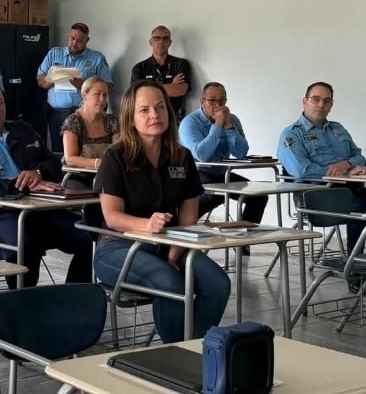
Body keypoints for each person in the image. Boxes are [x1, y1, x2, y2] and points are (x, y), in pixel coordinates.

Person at [93, 80, 230, 342]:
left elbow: (189, 214)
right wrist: (147, 225)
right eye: (144, 110)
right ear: (131, 118)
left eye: (160, 108)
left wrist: (176, 251)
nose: (154, 115)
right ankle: (174, 354)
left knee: (217, 284)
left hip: (170, 243)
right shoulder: (115, 156)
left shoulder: (181, 156)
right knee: (171, 283)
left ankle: (192, 347)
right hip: (119, 247)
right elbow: (112, 217)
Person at [276, 81, 366, 288]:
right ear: (305, 101)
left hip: (352, 190)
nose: (321, 105)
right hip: (318, 197)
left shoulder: (337, 129)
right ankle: (354, 272)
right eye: (316, 99)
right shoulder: (292, 134)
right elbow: (301, 170)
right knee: (358, 208)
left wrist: (346, 164)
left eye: (326, 101)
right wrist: (342, 171)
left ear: (331, 105)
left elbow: (359, 157)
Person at [0, 80, 92, 287]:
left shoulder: (23, 130)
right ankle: (23, 307)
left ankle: (72, 300)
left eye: (0, 103)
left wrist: (38, 173)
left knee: (88, 236)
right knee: (26, 243)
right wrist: (21, 184)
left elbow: (53, 163)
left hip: (40, 209)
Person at [179, 82, 268, 227]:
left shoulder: (232, 119)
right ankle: (183, 225)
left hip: (222, 173)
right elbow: (201, 155)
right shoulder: (189, 123)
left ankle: (243, 242)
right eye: (212, 100)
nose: (217, 105)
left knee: (258, 197)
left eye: (221, 100)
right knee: (216, 195)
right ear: (202, 102)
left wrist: (228, 127)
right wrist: (217, 126)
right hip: (196, 173)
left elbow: (240, 153)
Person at [37, 22, 114, 153]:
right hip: (57, 113)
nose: (74, 43)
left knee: (84, 150)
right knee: (59, 151)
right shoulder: (54, 54)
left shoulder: (97, 58)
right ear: (68, 35)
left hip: (84, 113)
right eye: (72, 38)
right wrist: (54, 78)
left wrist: (83, 85)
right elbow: (41, 82)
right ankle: (61, 174)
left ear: (87, 40)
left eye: (79, 41)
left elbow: (109, 86)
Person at [61, 76, 119, 189]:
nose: (102, 99)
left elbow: (118, 151)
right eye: (97, 94)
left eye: (105, 95)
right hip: (78, 177)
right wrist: (98, 163)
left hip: (108, 176)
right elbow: (70, 158)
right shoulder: (73, 121)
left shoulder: (112, 121)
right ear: (84, 95)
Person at [129, 26, 193, 121]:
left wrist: (148, 87)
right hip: (148, 119)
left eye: (165, 38)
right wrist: (171, 85)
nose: (161, 41)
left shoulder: (180, 64)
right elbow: (137, 94)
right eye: (157, 38)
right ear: (151, 42)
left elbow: (180, 90)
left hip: (174, 119)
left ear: (170, 43)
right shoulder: (140, 67)